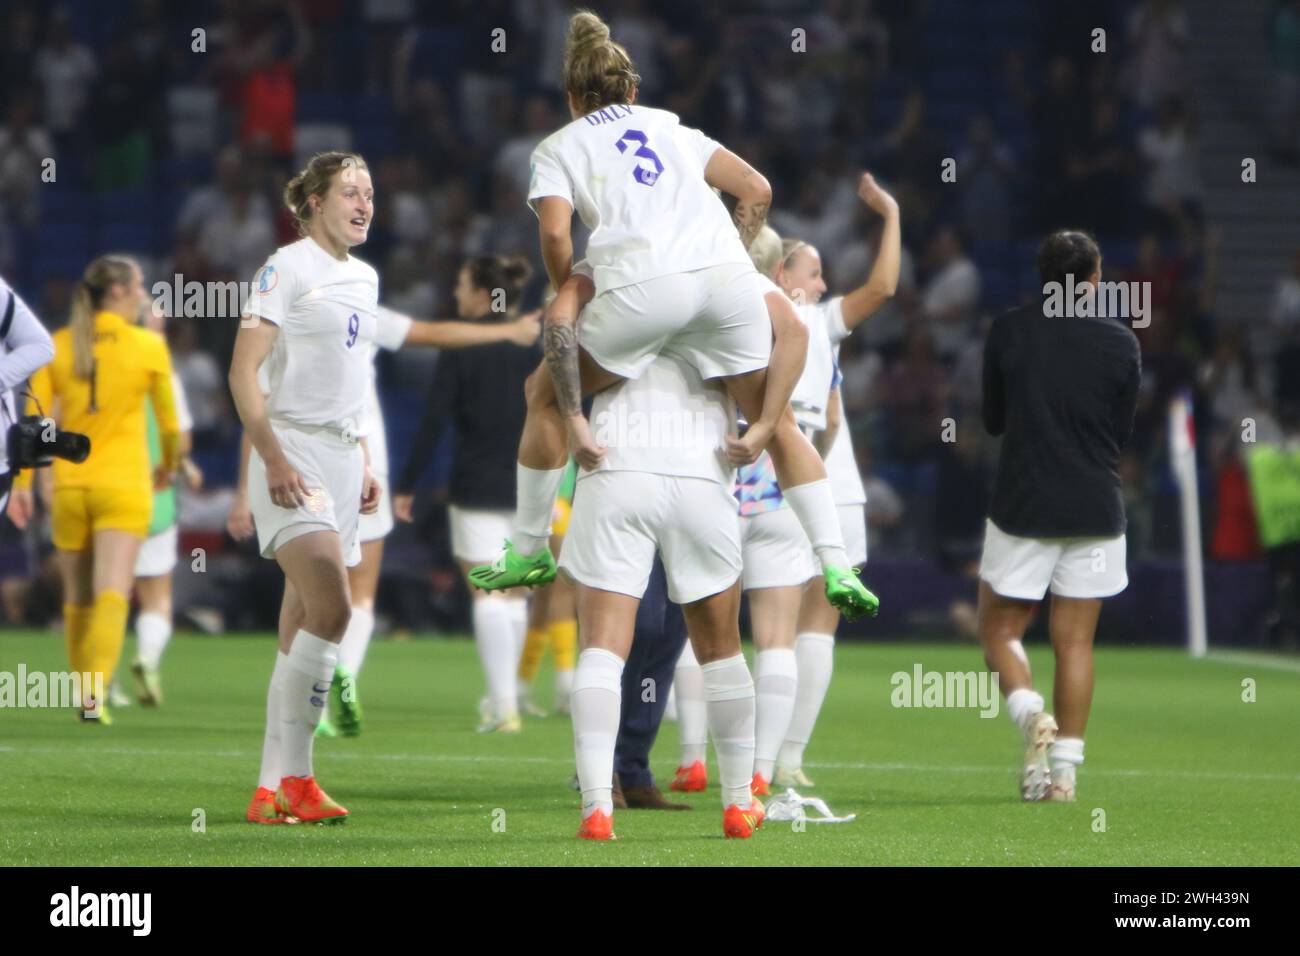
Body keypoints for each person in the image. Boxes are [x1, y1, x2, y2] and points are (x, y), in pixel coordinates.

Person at [468, 10, 875, 623]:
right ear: (633, 89)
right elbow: (758, 189)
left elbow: (555, 233)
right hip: (723, 284)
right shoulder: (672, 126)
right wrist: (731, 261)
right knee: (778, 419)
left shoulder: (559, 145)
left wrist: (571, 282)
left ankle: (528, 550)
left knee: (544, 395)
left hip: (639, 286)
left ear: (573, 98)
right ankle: (837, 560)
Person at [228, 302, 542, 736]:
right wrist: (508, 329)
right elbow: (434, 333)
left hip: (300, 467)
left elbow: (253, 409)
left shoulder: (280, 327)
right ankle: (344, 676)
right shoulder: (359, 310)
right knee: (358, 596)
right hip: (357, 469)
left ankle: (306, 710)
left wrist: (245, 492)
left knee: (303, 595)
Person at [554, 261, 762, 841]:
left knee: (601, 647)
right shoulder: (730, 274)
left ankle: (597, 807)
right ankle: (739, 803)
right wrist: (764, 426)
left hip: (615, 462)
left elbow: (557, 326)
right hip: (702, 468)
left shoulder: (608, 265)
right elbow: (787, 338)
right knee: (721, 650)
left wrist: (573, 415)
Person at [229, 151, 381, 825]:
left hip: (344, 458)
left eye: (370, 194)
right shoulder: (283, 268)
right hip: (291, 452)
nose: (364, 203)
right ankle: (299, 778)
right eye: (350, 191)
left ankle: (267, 790)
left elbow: (355, 378)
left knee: (298, 633)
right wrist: (272, 459)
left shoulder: (367, 279)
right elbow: (243, 374)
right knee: (334, 605)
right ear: (314, 201)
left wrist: (367, 458)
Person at [978, 230, 1140, 802]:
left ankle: (1029, 717)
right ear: (1094, 279)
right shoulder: (1122, 344)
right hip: (1096, 505)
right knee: (1075, 644)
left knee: (999, 629)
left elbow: (993, 420)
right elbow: (1120, 435)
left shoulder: (1009, 331)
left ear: (1042, 277)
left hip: (1024, 504)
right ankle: (1063, 778)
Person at [13, 256, 178, 725]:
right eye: (140, 286)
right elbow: (167, 424)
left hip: (68, 484)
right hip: (124, 483)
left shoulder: (58, 345)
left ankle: (82, 687)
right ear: (121, 292)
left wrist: (23, 482)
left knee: (77, 596)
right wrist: (168, 466)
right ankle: (94, 694)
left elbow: (35, 423)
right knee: (113, 591)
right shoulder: (148, 346)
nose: (144, 295)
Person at [392, 256, 541, 734]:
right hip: (530, 484)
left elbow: (434, 419)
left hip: (476, 484)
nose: (456, 294)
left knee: (487, 594)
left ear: (481, 293)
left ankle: (503, 707)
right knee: (515, 594)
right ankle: (511, 694)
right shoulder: (534, 346)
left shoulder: (462, 348)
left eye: (460, 283)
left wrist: (408, 484)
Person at [126, 307, 203, 708]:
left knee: (106, 594)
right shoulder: (162, 370)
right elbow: (181, 438)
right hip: (154, 496)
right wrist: (182, 462)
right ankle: (146, 658)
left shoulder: (98, 366)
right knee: (156, 595)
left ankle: (95, 685)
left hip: (106, 490)